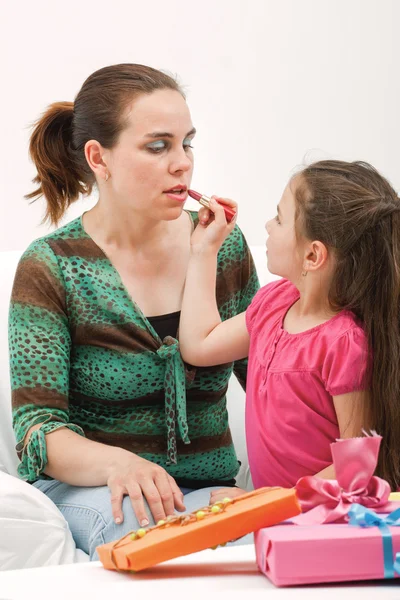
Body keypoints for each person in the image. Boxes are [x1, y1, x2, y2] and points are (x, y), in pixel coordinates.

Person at [9, 64, 260, 559]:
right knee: (158, 544)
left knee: (259, 542)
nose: (182, 163)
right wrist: (119, 465)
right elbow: (39, 430)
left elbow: (272, 376)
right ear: (99, 158)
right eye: (157, 146)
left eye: (187, 143)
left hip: (208, 489)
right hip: (97, 491)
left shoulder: (220, 248)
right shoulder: (52, 266)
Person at [179, 159, 400, 501]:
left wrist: (264, 504)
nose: (268, 225)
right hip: (278, 517)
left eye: (280, 218)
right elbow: (199, 345)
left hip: (322, 526)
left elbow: (356, 466)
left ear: (313, 256)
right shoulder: (274, 303)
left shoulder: (345, 344)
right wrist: (205, 249)